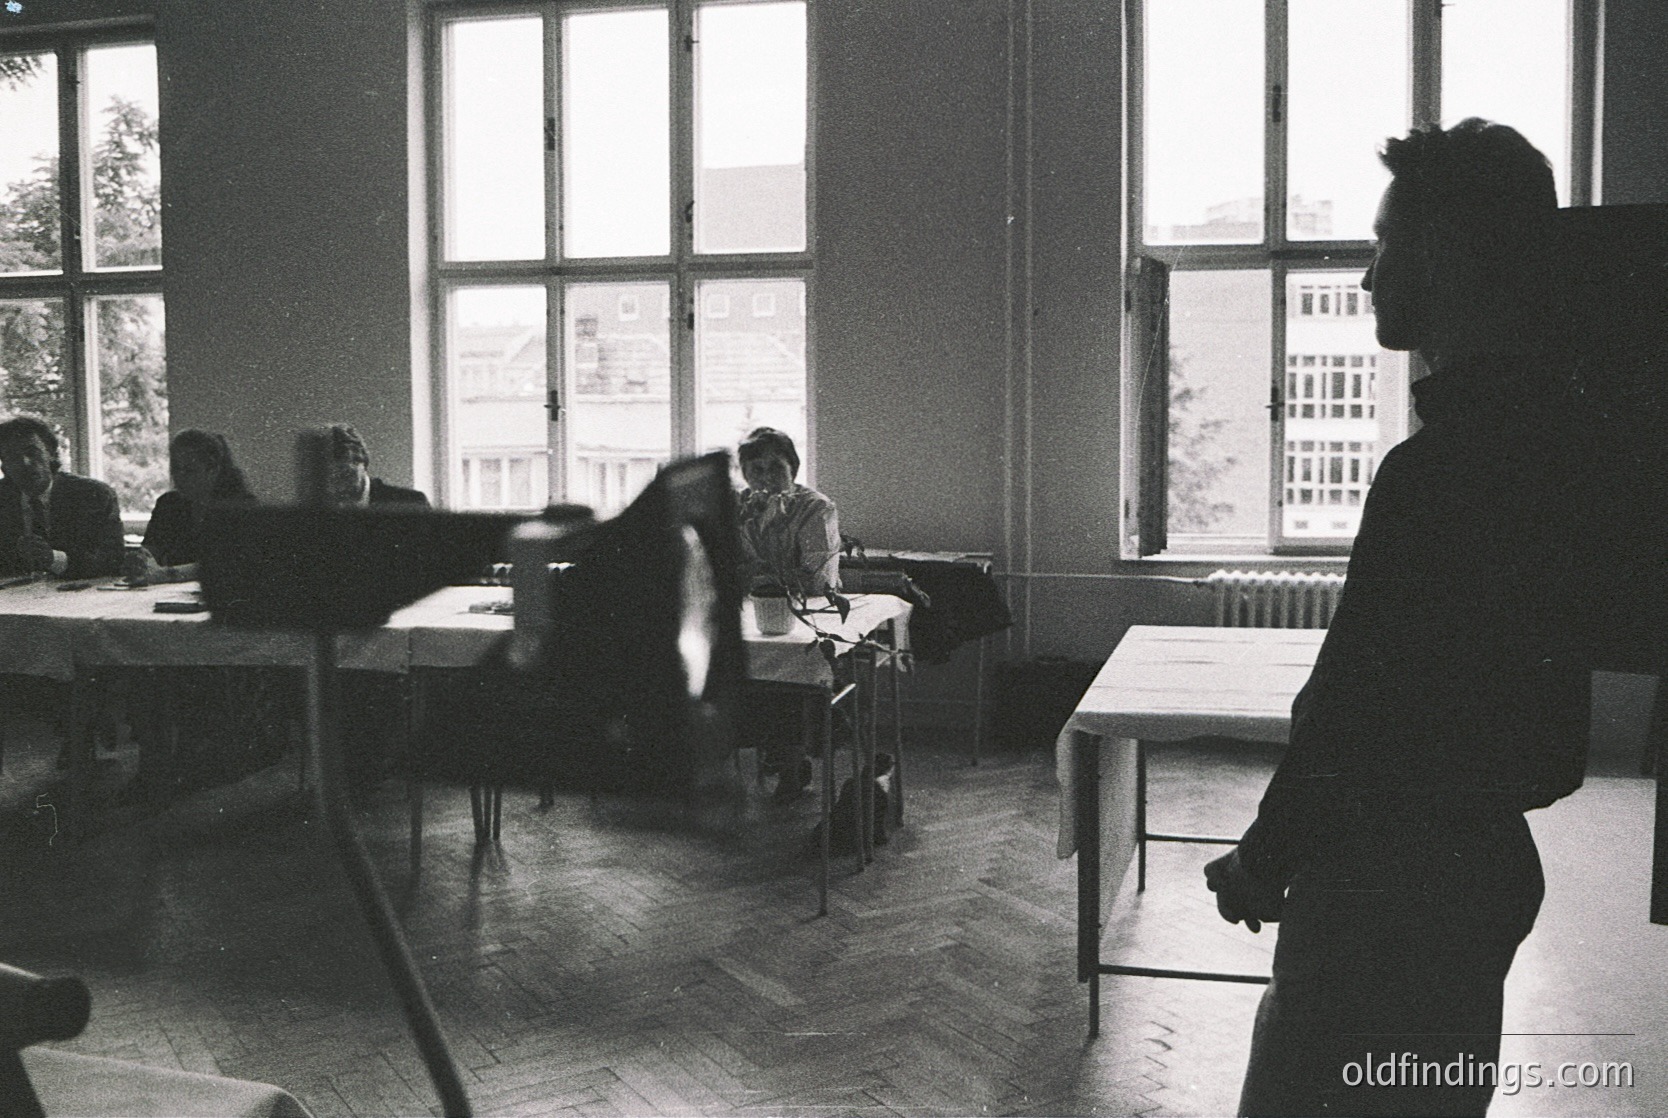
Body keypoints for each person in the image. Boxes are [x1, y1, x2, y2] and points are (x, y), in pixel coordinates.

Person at [1204, 120, 1614, 1117]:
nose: (1364, 277)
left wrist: (1262, 859)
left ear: (1437, 252)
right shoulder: (1566, 446)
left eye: (1382, 244)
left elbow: (1353, 711)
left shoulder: (1435, 472)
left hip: (1386, 892)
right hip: (1478, 870)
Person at [124, 429, 256, 585]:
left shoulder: (240, 506)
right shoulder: (168, 504)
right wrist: (140, 560)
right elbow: (152, 550)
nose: (179, 477)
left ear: (212, 470)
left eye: (188, 471)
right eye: (175, 469)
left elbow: (227, 564)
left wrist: (167, 574)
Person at [0, 415, 123, 580]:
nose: (25, 463)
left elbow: (112, 561)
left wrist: (54, 559)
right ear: (4, 465)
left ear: (50, 453)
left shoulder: (93, 495)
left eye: (32, 452)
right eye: (13, 457)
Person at [737, 427, 839, 597]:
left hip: (808, 607)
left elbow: (820, 581)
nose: (767, 478)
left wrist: (753, 580)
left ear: (792, 470)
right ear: (746, 475)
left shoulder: (816, 508)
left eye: (776, 467)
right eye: (757, 469)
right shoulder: (736, 507)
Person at [322, 423, 429, 507]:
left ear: (361, 460)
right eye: (326, 477)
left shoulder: (409, 503)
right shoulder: (315, 505)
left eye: (342, 474)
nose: (335, 486)